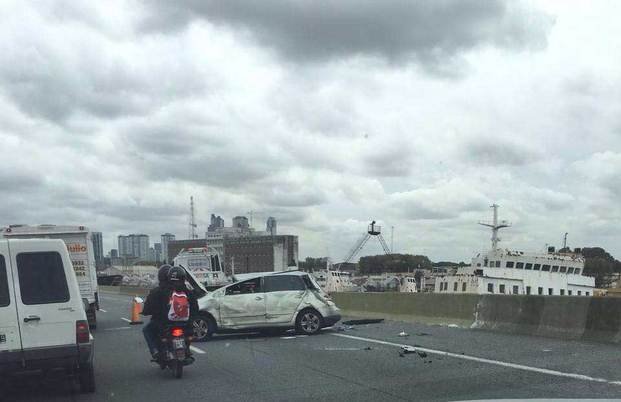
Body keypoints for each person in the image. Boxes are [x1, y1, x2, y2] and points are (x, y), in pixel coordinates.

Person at [141, 264, 172, 360]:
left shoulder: (155, 291)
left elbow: (147, 308)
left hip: (160, 321)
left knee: (146, 330)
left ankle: (155, 350)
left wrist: (145, 312)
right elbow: (193, 304)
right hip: (180, 321)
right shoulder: (181, 290)